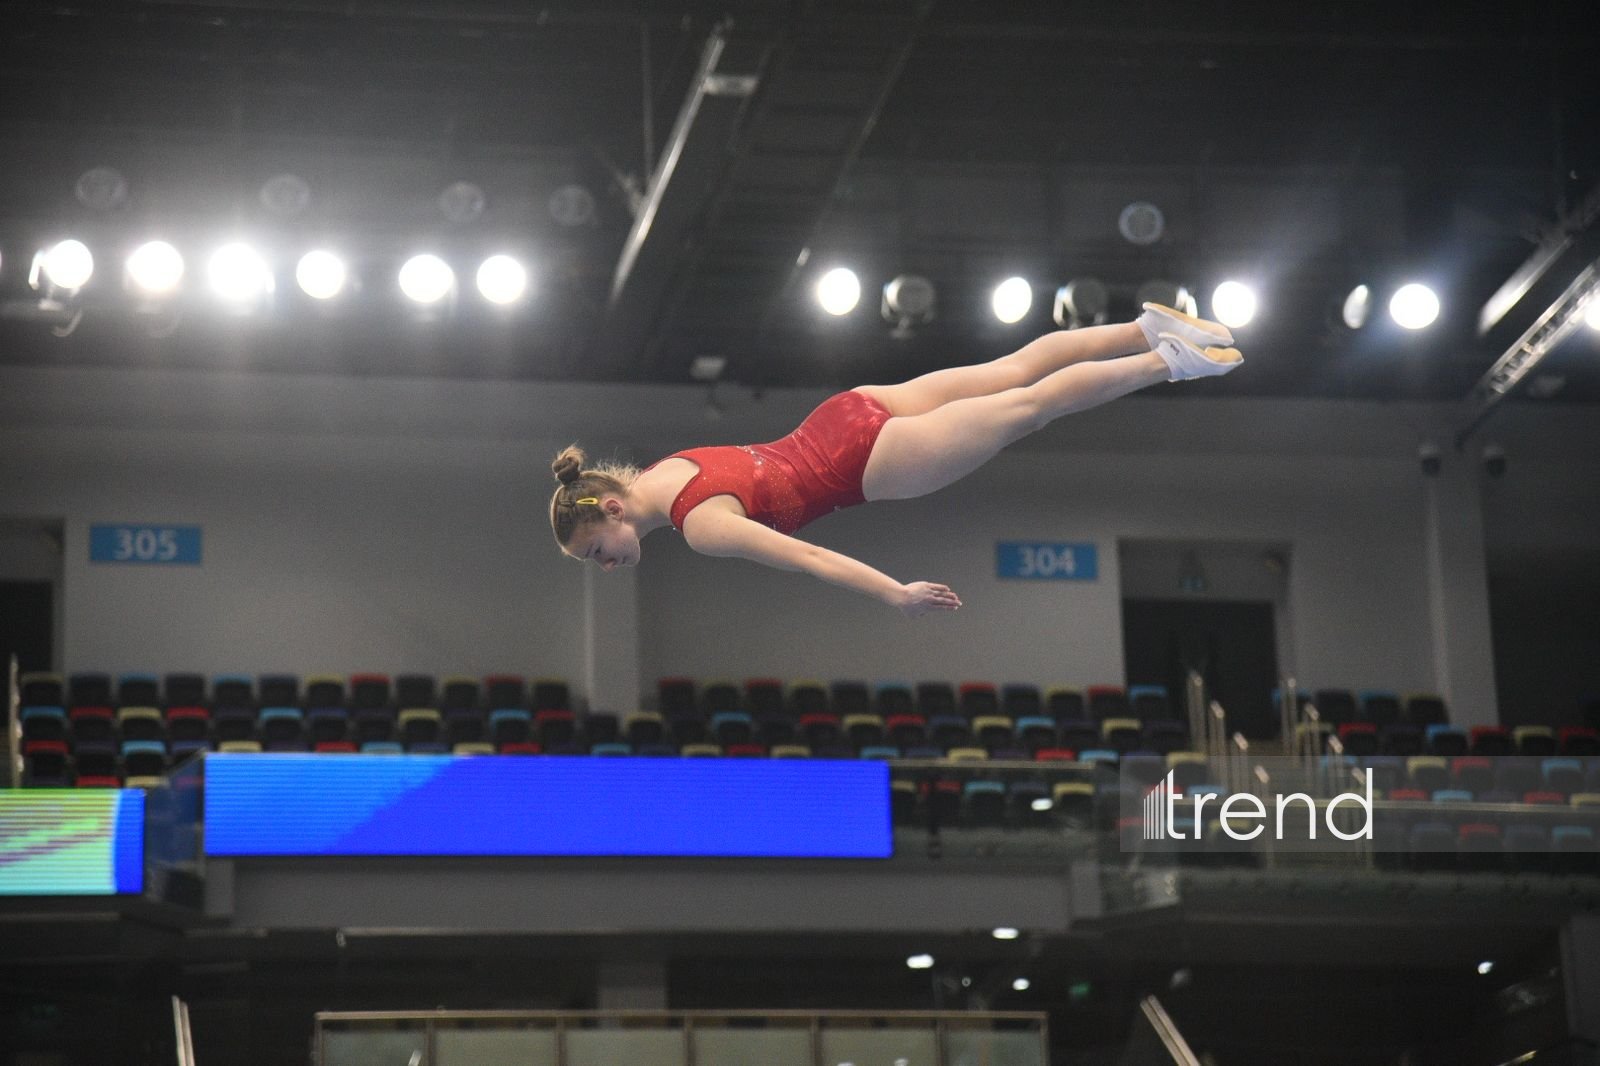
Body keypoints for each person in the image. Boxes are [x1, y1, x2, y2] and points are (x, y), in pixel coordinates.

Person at [550, 303, 1241, 617]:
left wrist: (893, 592)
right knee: (1013, 370)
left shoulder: (698, 524)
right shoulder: (665, 470)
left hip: (864, 465)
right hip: (843, 415)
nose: (606, 565)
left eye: (596, 551)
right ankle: (1146, 327)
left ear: (611, 509)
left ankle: (1167, 361)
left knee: (1029, 407)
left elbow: (810, 559)